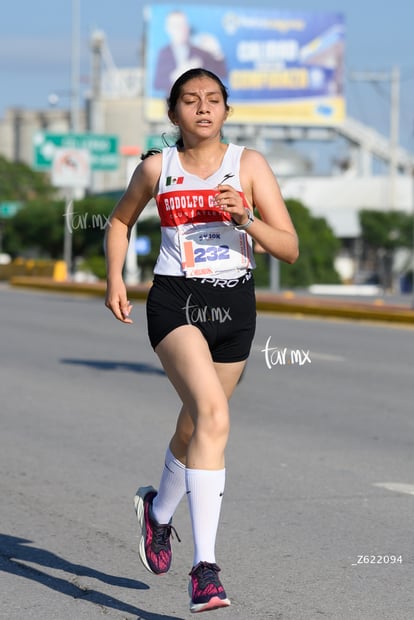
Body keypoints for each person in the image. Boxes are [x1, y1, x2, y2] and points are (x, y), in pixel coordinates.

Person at [104, 68, 299, 614]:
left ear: (226, 112)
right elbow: (120, 221)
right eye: (190, 101)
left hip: (234, 305)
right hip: (176, 301)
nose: (203, 109)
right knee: (213, 414)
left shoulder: (250, 166)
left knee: (195, 425)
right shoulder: (156, 168)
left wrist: (248, 218)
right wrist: (116, 277)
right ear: (174, 115)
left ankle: (157, 513)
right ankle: (205, 570)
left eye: (213, 100)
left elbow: (289, 247)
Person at [153, 10, 227, 93]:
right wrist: (176, 75)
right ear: (168, 28)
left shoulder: (200, 52)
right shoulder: (164, 53)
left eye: (182, 25)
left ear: (187, 27)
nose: (180, 29)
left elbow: (222, 74)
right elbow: (157, 83)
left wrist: (217, 51)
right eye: (175, 26)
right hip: (172, 103)